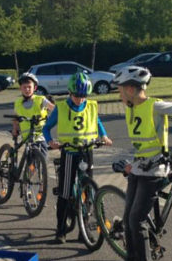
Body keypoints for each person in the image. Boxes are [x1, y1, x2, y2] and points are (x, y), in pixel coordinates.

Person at [111, 66, 172, 261]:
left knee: (136, 220)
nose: (119, 94)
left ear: (129, 89)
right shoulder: (131, 108)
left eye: (120, 90)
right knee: (128, 220)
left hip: (155, 170)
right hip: (139, 167)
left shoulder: (154, 106)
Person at [43, 72, 112, 244]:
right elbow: (46, 128)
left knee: (88, 192)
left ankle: (84, 228)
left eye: (83, 96)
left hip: (87, 152)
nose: (80, 100)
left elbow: (98, 122)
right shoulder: (61, 107)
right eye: (76, 96)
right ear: (69, 92)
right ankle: (60, 230)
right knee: (65, 192)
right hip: (69, 153)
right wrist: (50, 142)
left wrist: (104, 136)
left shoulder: (91, 106)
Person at [10, 73, 54, 174]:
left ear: (35, 88)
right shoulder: (18, 102)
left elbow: (53, 108)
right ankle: (27, 183)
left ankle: (35, 180)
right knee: (30, 163)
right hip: (27, 137)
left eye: (29, 87)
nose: (27, 90)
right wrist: (15, 129)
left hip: (40, 135)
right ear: (20, 88)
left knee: (42, 159)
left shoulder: (40, 100)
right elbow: (15, 118)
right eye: (24, 87)